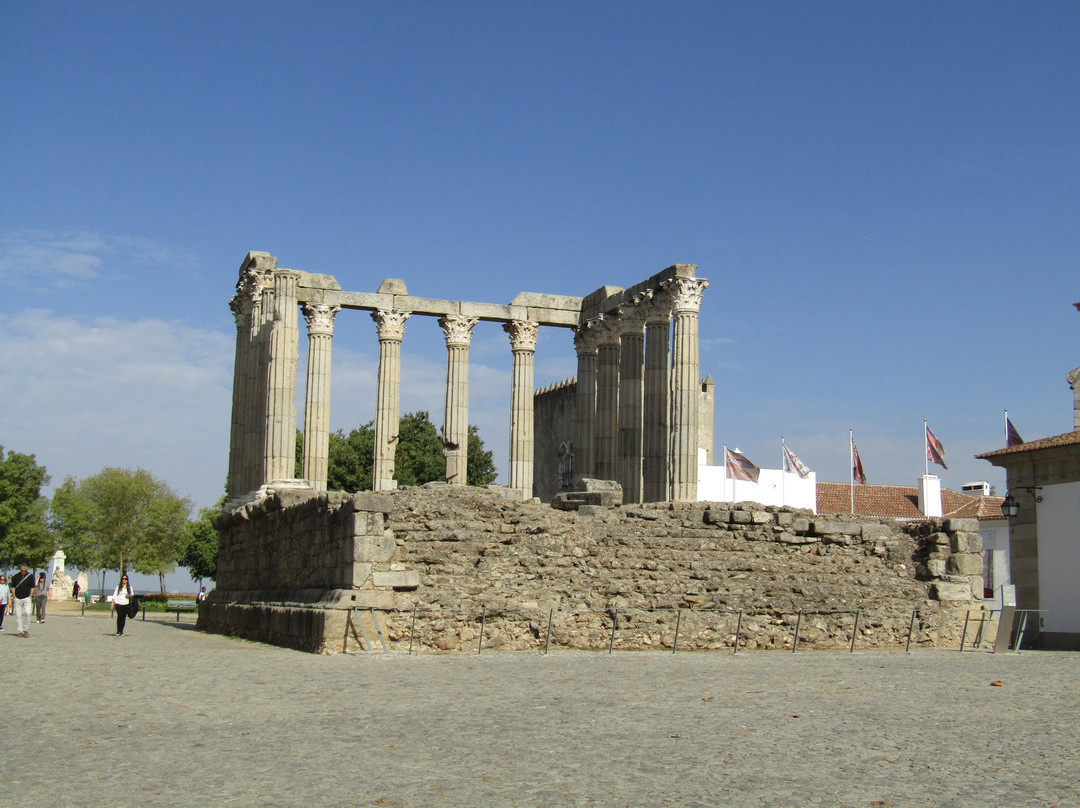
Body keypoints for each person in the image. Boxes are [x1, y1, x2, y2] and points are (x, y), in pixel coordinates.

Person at [10, 563, 35, 638]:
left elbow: (32, 587)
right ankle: (20, 631)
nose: (23, 571)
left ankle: (26, 629)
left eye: (24, 570)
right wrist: (14, 597)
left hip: (26, 597)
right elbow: (13, 587)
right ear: (20, 569)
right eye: (22, 570)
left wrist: (30, 596)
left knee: (27, 613)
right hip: (17, 598)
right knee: (18, 615)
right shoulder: (16, 577)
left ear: (26, 569)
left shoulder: (30, 577)